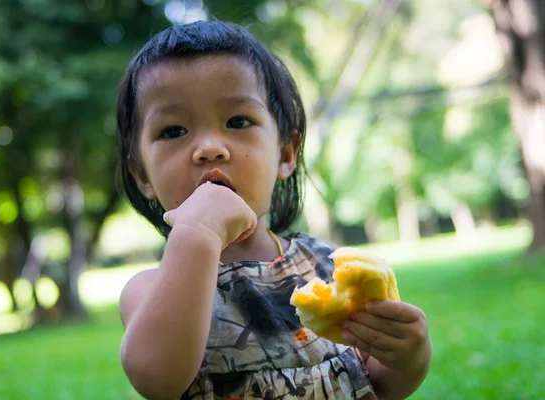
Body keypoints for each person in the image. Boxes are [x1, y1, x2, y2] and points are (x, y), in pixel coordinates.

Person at [116, 19, 432, 400]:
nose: (210, 148)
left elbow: (376, 385)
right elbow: (156, 378)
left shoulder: (327, 266)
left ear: (285, 154)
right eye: (173, 131)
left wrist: (408, 357)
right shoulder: (150, 291)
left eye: (238, 121)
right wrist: (197, 235)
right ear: (142, 175)